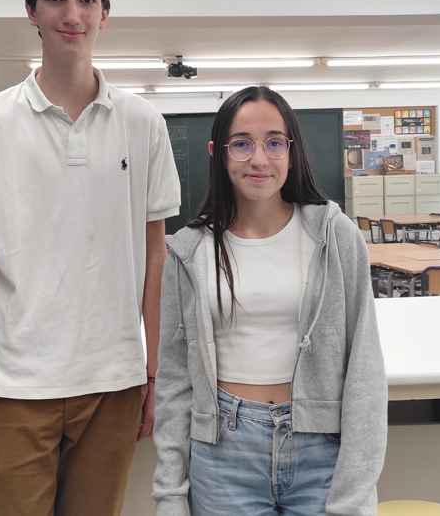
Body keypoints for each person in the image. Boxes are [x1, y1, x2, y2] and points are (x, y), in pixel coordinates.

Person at [0, 0, 181, 516]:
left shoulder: (143, 124)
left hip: (114, 382)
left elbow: (155, 258)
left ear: (105, 12)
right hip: (10, 385)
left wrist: (155, 374)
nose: (72, 14)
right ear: (31, 11)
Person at [152, 86, 387, 516]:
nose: (259, 159)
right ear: (218, 153)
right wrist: (169, 493)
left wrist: (355, 489)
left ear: (292, 152)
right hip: (224, 453)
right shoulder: (188, 252)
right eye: (241, 143)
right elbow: (174, 380)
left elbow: (365, 369)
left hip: (322, 452)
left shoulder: (335, 237)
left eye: (274, 142)